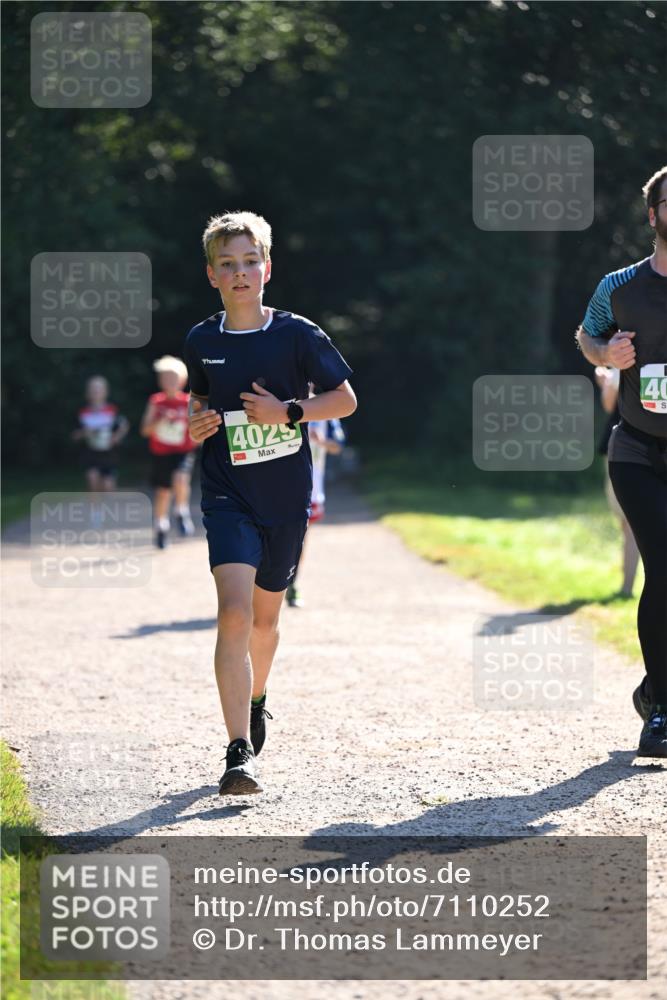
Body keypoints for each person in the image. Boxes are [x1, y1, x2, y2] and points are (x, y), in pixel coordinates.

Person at [184, 211, 356, 795]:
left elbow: (345, 400)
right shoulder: (202, 340)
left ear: (267, 267)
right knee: (232, 612)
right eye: (227, 265)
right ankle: (237, 752)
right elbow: (197, 405)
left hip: (284, 497)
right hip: (226, 492)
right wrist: (200, 422)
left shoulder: (298, 335)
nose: (240, 273)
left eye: (249, 261)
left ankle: (257, 697)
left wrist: (289, 411)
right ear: (212, 275)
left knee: (264, 620)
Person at [576, 166, 667, 758]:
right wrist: (604, 351)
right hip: (637, 450)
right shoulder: (621, 284)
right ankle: (660, 713)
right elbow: (585, 337)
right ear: (654, 212)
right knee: (661, 563)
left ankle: (651, 687)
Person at [286, 401, 346, 608]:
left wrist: (322, 442)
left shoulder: (326, 409)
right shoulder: (277, 405)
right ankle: (263, 586)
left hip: (311, 489)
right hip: (278, 487)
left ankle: (292, 582)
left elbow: (338, 445)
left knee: (299, 538)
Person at [140, 356, 198, 549]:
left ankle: (181, 511)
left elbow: (197, 428)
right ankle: (161, 526)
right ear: (160, 381)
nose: (170, 382)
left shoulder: (188, 401)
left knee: (181, 478)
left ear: (182, 380)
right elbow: (145, 430)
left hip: (183, 451)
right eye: (165, 378)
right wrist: (160, 420)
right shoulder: (156, 402)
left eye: (173, 378)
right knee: (163, 492)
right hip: (161, 452)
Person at [594, 364, 639, 597]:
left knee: (632, 523)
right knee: (627, 523)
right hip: (626, 448)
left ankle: (627, 588)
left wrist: (608, 383)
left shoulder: (627, 357)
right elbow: (611, 403)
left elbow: (609, 403)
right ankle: (627, 587)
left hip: (631, 450)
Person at [72, 375, 129, 503]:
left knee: (108, 486)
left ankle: (109, 512)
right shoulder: (83, 413)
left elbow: (124, 425)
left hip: (109, 454)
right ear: (87, 393)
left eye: (99, 390)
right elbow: (74, 435)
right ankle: (96, 514)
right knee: (93, 480)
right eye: (93, 390)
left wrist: (116, 437)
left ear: (106, 392)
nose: (96, 393)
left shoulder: (112, 411)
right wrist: (84, 433)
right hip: (90, 453)